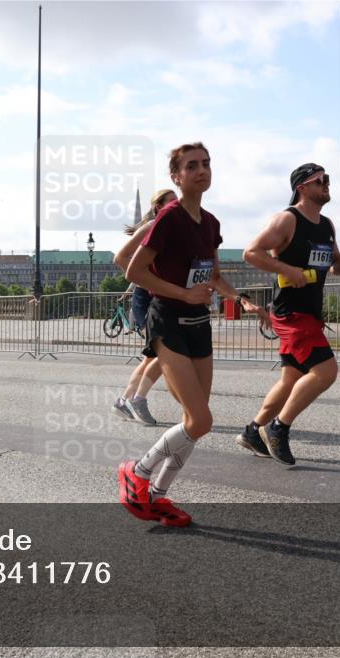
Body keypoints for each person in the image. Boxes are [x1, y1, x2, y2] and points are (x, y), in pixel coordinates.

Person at [117, 143, 267, 527]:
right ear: (176, 176)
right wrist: (183, 294)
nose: (201, 170)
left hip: (199, 325)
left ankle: (158, 497)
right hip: (168, 322)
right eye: (191, 166)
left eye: (206, 164)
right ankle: (138, 471)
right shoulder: (168, 219)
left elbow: (214, 275)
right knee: (201, 420)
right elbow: (134, 271)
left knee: (194, 422)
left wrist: (242, 299)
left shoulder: (211, 223)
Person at [238, 163, 340, 465]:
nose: (327, 184)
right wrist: (287, 269)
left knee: (291, 379)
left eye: (327, 179)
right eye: (320, 180)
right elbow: (251, 252)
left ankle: (253, 432)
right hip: (291, 314)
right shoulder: (287, 219)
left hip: (310, 313)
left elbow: (334, 268)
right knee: (326, 372)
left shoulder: (326, 225)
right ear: (302, 187)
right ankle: (278, 428)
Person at [112, 188, 178, 426]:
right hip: (148, 297)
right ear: (158, 207)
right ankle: (137, 400)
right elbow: (121, 258)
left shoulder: (174, 229)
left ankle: (125, 400)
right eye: (171, 202)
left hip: (163, 296)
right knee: (164, 351)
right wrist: (146, 279)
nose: (176, 205)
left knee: (153, 355)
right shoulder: (151, 227)